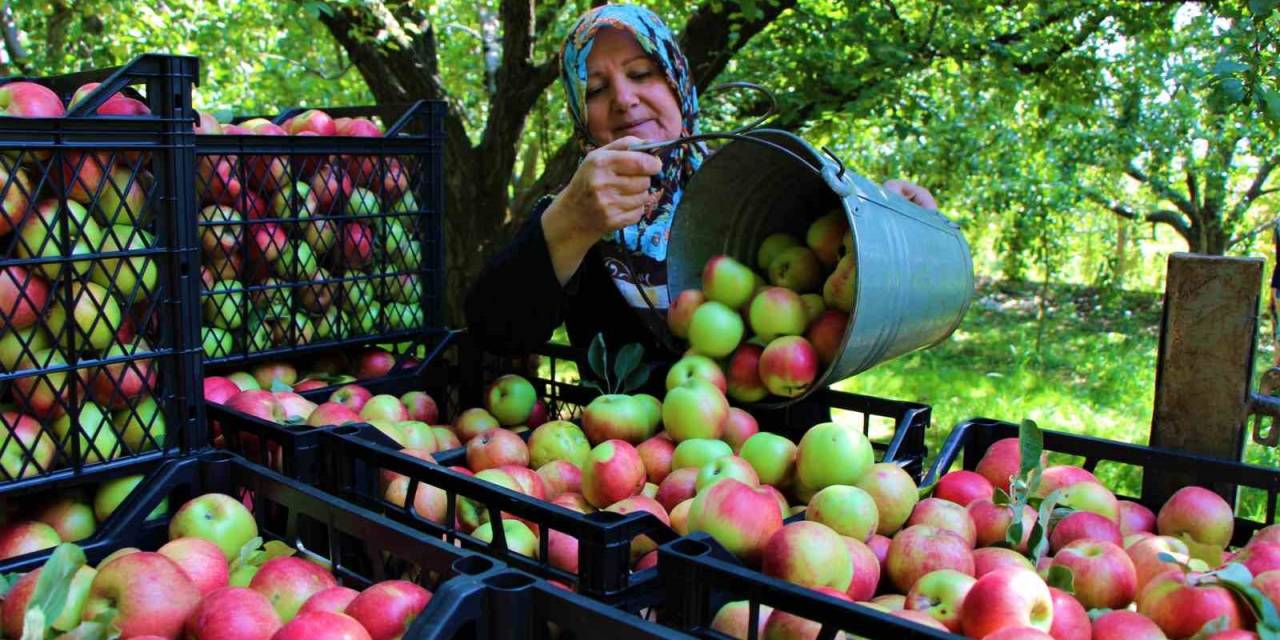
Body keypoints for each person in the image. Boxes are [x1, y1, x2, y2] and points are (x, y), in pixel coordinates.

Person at [465, 4, 937, 361]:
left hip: (787, 470)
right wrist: (571, 220)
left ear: (677, 82)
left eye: (641, 74)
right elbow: (494, 334)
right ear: (580, 116)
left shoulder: (761, 187)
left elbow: (854, 279)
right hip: (633, 477)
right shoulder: (573, 214)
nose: (624, 100)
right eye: (596, 89)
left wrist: (886, 216)